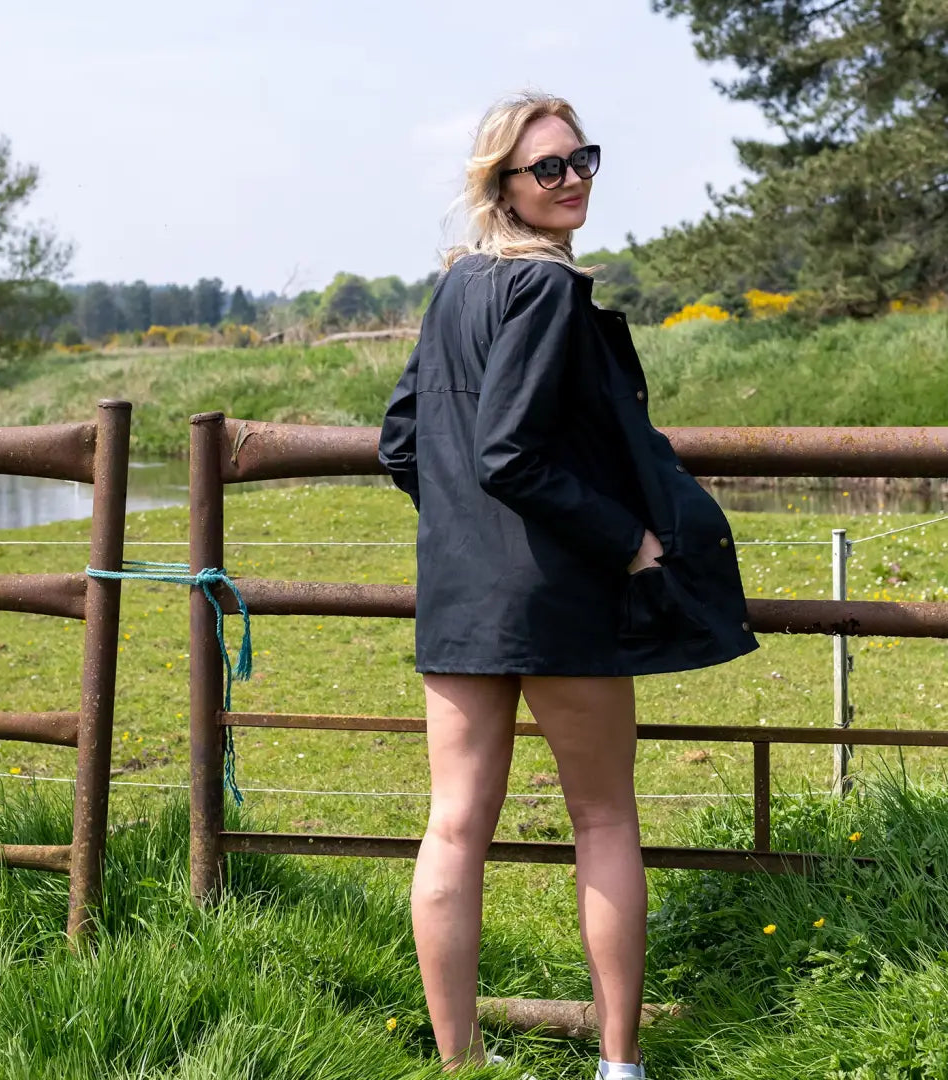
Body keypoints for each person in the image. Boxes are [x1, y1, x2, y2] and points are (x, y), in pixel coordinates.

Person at [377, 90, 759, 1079]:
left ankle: (458, 1062)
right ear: (503, 184)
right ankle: (619, 1065)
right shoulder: (543, 291)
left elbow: (401, 443)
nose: (574, 178)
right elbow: (511, 453)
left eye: (583, 158)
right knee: (603, 818)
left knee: (456, 825)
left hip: (460, 595)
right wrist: (628, 539)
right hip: (557, 593)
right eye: (549, 167)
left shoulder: (457, 287)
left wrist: (468, 535)